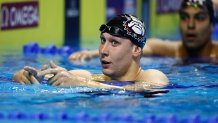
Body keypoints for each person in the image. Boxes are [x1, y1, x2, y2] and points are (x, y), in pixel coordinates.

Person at [12, 14, 169, 92]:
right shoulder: (88, 76)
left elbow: (145, 88)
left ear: (136, 50)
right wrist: (27, 77)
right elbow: (54, 78)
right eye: (103, 40)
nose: (103, 51)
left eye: (114, 42)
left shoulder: (152, 76)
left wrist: (84, 84)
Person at [68, 0, 218, 62]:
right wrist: (92, 54)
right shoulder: (175, 51)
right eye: (185, 17)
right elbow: (146, 45)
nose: (190, 25)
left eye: (199, 18)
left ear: (212, 25)